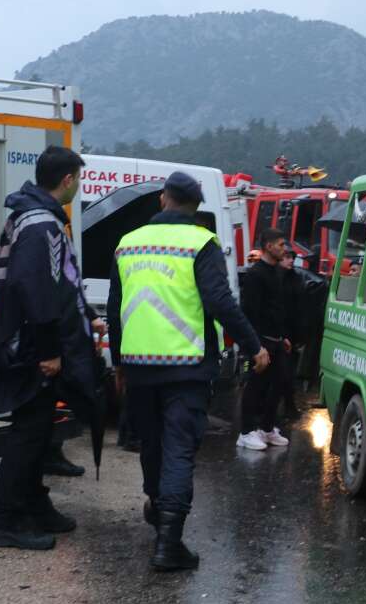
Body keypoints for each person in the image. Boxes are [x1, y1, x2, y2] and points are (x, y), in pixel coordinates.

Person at [108, 172, 269, 571]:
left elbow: (115, 310)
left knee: (153, 445)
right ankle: (168, 543)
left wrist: (117, 363)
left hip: (139, 365)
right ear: (197, 207)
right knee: (179, 450)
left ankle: (159, 509)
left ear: (163, 199)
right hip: (186, 367)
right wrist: (254, 346)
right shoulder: (202, 243)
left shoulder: (128, 243)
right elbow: (220, 302)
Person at [0, 147, 102, 550]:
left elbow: (61, 284)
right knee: (28, 435)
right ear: (67, 180)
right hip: (34, 349)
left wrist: (87, 317)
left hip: (31, 342)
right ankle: (9, 522)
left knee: (37, 432)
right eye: (78, 180)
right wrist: (50, 350)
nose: (78, 187)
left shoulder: (36, 217)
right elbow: (37, 292)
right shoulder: (41, 226)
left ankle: (35, 505)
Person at [237, 228, 294, 450]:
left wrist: (283, 336)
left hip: (277, 340)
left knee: (280, 383)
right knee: (256, 386)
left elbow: (278, 308)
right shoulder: (255, 274)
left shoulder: (278, 273)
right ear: (268, 246)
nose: (284, 248)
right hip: (260, 341)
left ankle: (267, 428)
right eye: (280, 244)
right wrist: (255, 344)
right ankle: (246, 431)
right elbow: (250, 311)